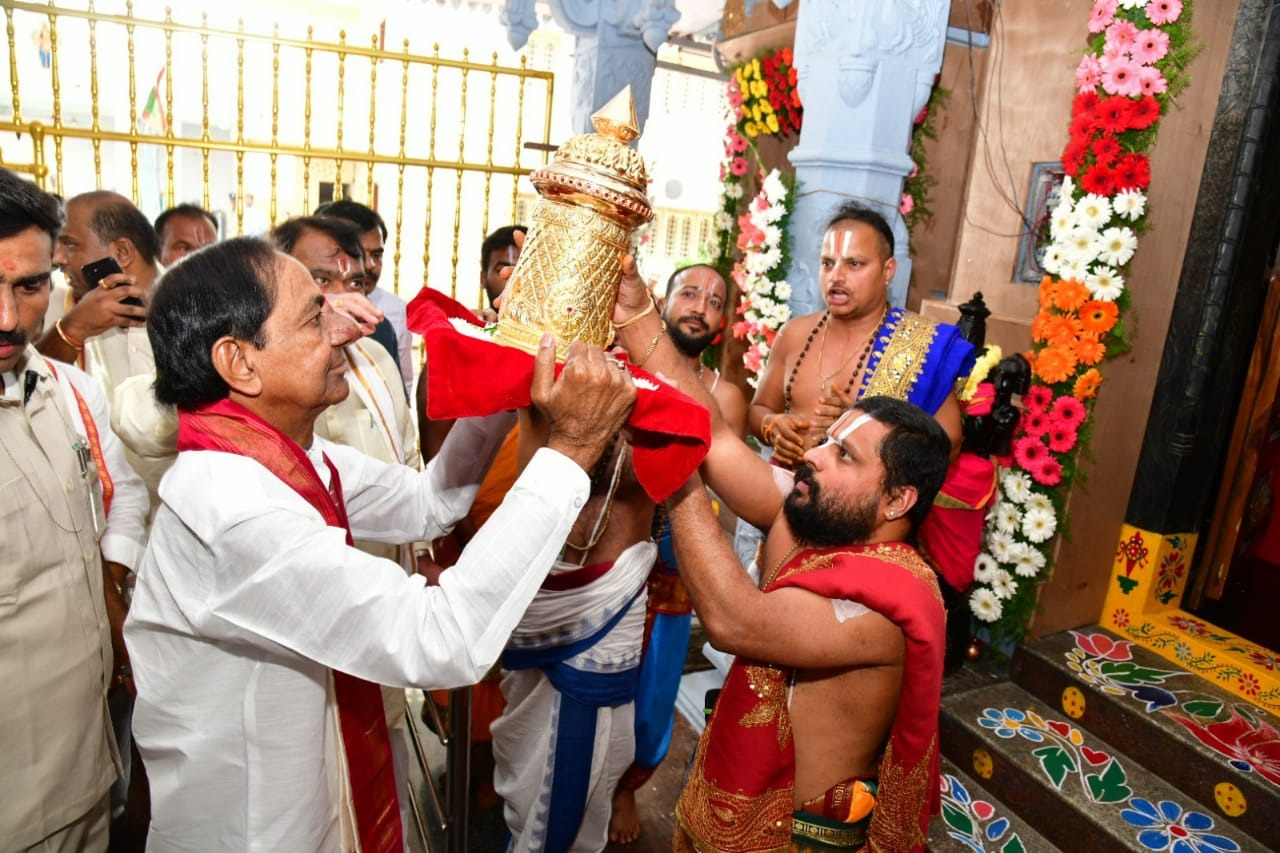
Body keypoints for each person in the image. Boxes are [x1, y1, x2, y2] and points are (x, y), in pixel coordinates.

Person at [125, 236, 636, 851]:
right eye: (315, 318)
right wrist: (574, 450)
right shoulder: (230, 507)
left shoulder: (283, 457)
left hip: (316, 780)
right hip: (255, 823)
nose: (343, 332)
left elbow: (430, 504)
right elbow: (440, 639)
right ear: (240, 362)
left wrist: (511, 361)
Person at [611, 260, 950, 851]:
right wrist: (638, 313)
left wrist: (679, 479)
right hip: (721, 803)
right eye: (826, 442)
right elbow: (714, 433)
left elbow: (734, 620)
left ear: (898, 498)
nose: (814, 457)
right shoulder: (812, 518)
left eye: (845, 456)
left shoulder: (889, 606)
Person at [0, 168, 149, 850]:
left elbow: (123, 491)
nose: (8, 316)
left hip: (87, 772)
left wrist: (111, 574)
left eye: (29, 286)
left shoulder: (72, 389)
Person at [608, 262, 747, 843]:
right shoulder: (621, 366)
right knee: (601, 680)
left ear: (720, 323)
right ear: (662, 299)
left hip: (674, 559)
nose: (700, 306)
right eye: (689, 292)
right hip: (614, 545)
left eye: (714, 301)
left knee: (653, 693)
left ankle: (625, 790)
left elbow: (729, 490)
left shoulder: (728, 398)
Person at [490, 394, 658, 852]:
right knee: (528, 777)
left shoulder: (668, 393)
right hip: (536, 596)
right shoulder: (541, 372)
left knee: (575, 794)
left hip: (607, 607)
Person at [748, 202, 972, 466]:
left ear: (888, 271)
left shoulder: (921, 345)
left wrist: (863, 427)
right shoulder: (795, 333)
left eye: (854, 264)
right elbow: (757, 410)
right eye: (827, 263)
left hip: (865, 503)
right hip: (784, 489)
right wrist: (772, 426)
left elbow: (949, 445)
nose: (836, 277)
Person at [315, 199, 414, 396]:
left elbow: (399, 398)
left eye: (376, 255)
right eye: (358, 253)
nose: (369, 265)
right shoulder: (292, 319)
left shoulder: (387, 323)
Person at [481, 224, 526, 312]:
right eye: (501, 270)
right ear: (483, 279)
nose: (513, 279)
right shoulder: (461, 324)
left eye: (524, 271)